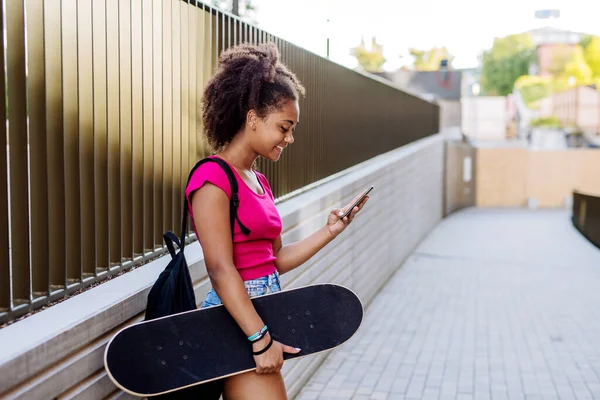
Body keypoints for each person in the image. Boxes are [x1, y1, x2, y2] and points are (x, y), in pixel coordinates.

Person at [185, 42, 369, 400]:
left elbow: (275, 261)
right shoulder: (212, 178)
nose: (290, 138)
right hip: (236, 319)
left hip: (263, 310)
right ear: (252, 118)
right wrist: (260, 338)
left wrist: (330, 231)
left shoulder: (259, 181)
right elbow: (221, 270)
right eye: (284, 127)